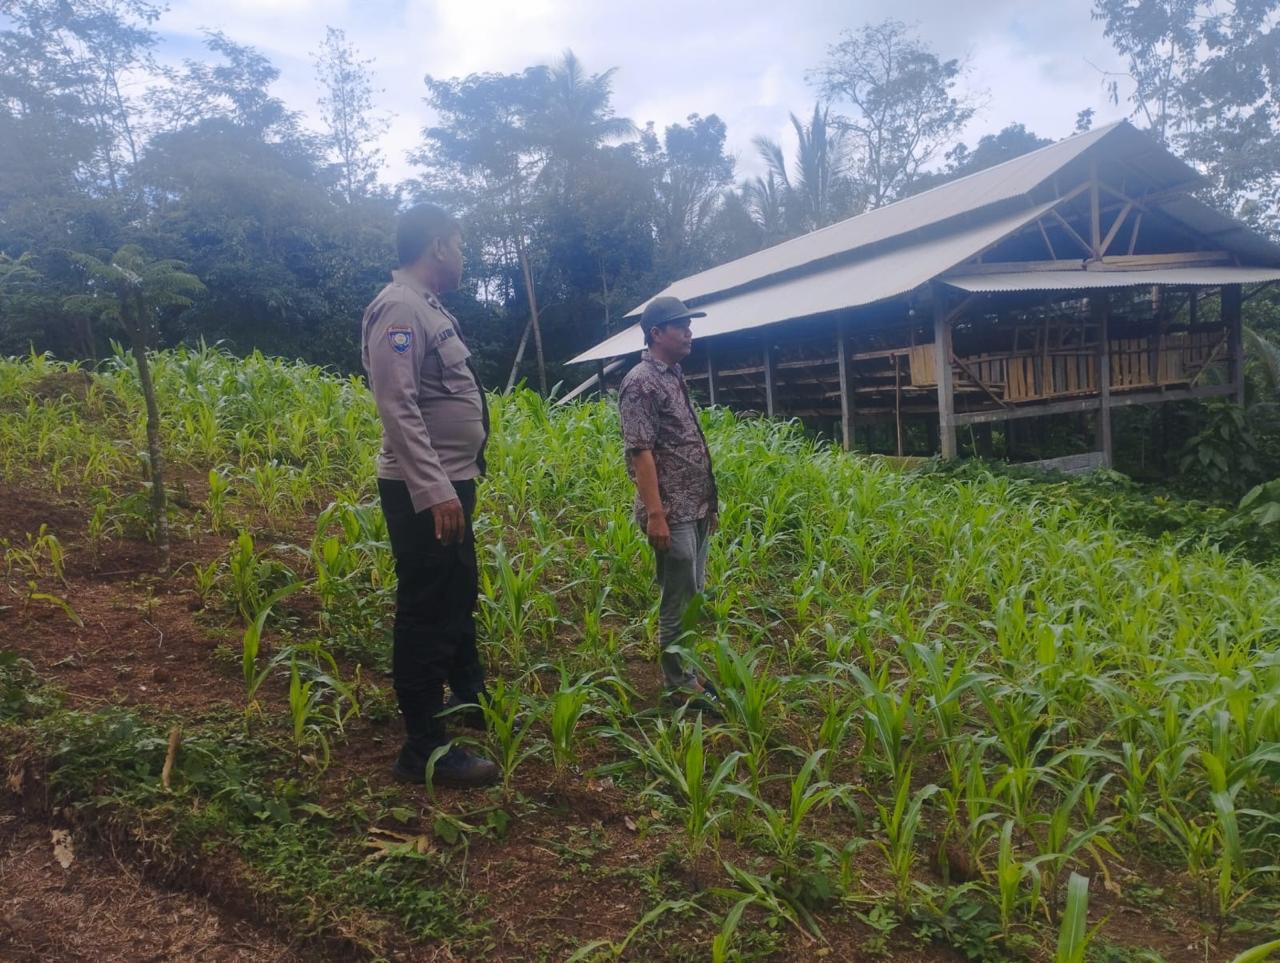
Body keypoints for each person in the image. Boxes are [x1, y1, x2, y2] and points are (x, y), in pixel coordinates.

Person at [361, 203, 499, 787]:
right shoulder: (399, 308)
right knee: (426, 609)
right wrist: (434, 488)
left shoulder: (428, 307)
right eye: (460, 245)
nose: (463, 256)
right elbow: (397, 405)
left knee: (456, 593)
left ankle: (465, 696)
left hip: (449, 482)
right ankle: (422, 747)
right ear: (438, 245)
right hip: (425, 490)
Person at [617, 296, 721, 711]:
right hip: (671, 510)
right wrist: (656, 515)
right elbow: (640, 452)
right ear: (656, 333)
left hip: (695, 504)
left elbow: (687, 442)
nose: (689, 333)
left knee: (693, 594)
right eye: (681, 326)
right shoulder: (641, 382)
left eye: (689, 325)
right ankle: (678, 683)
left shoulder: (673, 374)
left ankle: (687, 669)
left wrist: (710, 503)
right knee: (678, 598)